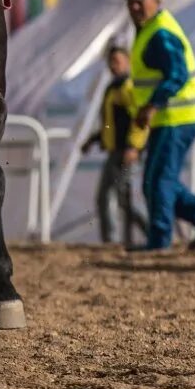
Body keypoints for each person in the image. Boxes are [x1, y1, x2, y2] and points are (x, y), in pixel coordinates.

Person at [125, 0, 195, 250]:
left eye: (140, 3)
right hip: (170, 118)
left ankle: (159, 241)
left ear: (156, 1)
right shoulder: (150, 29)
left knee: (159, 181)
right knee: (159, 181)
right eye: (131, 3)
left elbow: (177, 75)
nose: (135, 8)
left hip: (177, 118)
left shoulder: (160, 33)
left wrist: (152, 105)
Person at [80, 46, 148, 245]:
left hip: (126, 152)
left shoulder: (128, 88)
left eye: (118, 61)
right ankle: (111, 240)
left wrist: (134, 147)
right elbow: (111, 123)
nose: (114, 66)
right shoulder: (113, 88)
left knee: (126, 201)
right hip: (114, 152)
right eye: (111, 61)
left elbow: (139, 120)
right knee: (105, 197)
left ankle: (153, 232)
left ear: (127, 62)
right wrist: (94, 140)